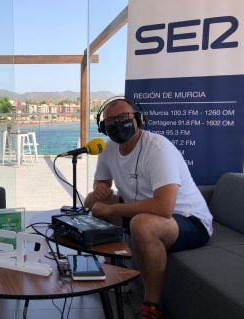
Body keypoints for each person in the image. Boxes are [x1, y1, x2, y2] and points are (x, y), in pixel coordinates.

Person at [85, 98, 213, 319]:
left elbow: (164, 207)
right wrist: (100, 191)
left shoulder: (158, 148)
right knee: (92, 203)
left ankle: (151, 305)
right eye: (110, 121)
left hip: (188, 220)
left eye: (124, 118)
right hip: (145, 212)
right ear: (102, 127)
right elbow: (101, 183)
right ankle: (115, 276)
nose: (117, 124)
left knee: (142, 224)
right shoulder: (109, 148)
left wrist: (114, 210)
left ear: (138, 119)